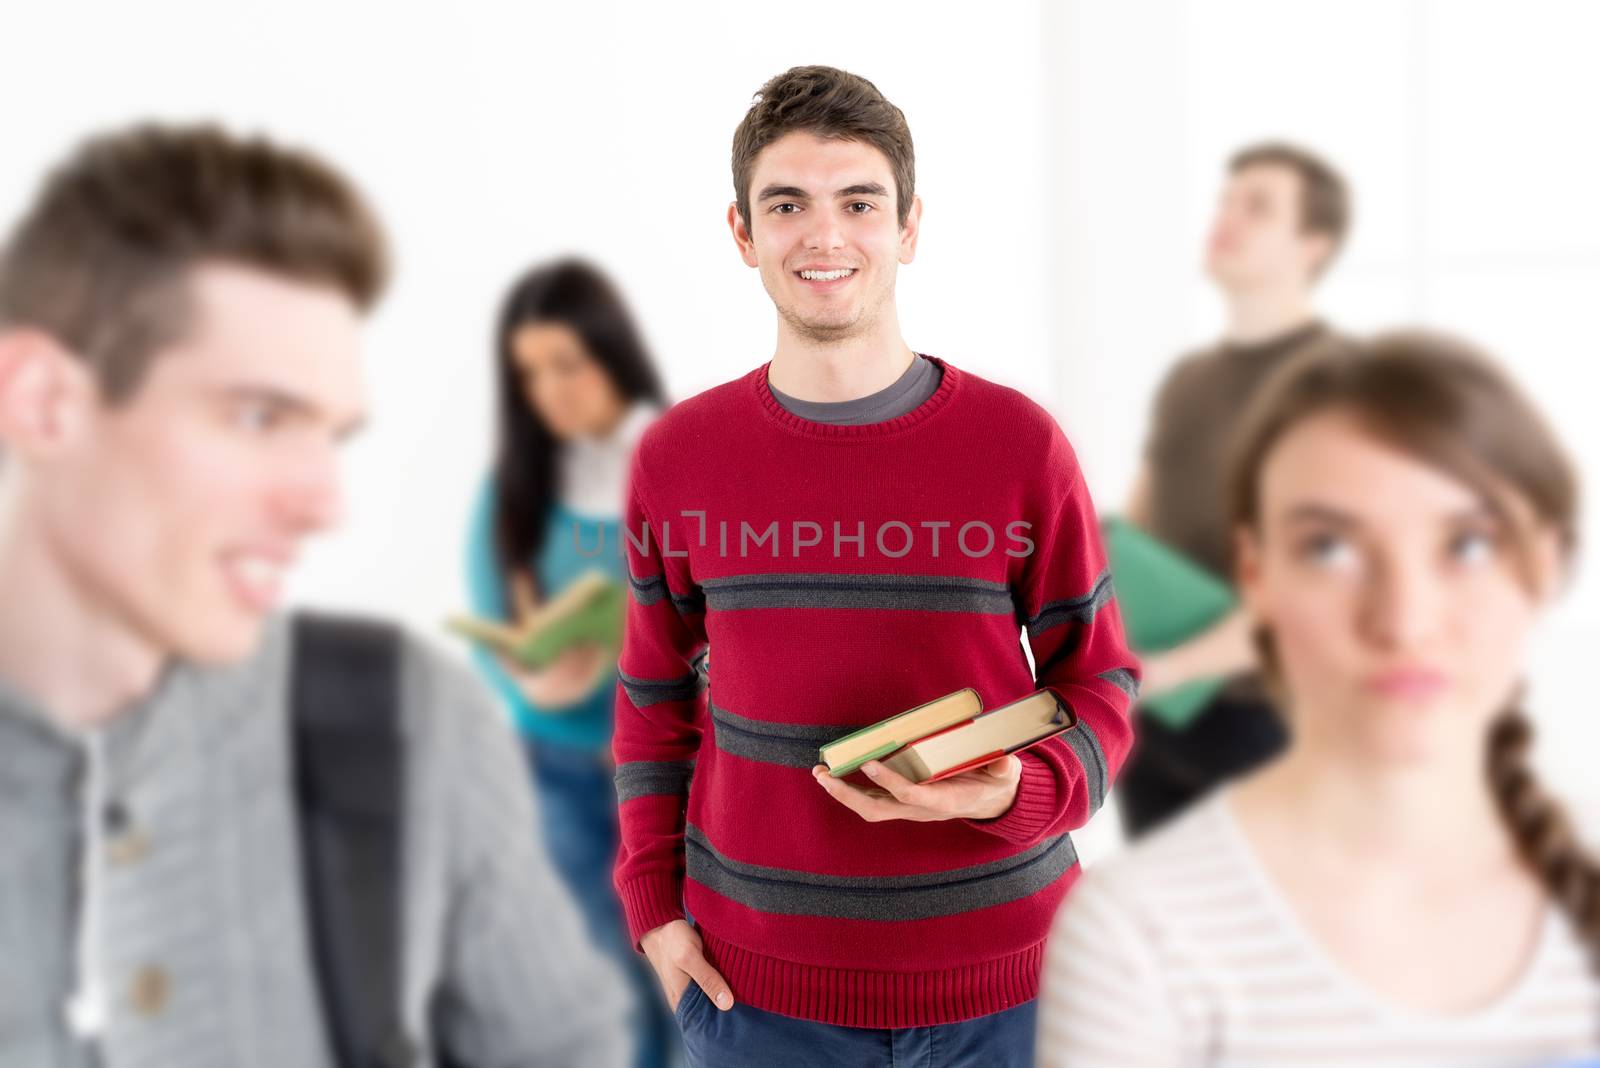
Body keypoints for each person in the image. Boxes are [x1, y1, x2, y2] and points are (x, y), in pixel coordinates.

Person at [0, 124, 628, 1067]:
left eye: (330, 436)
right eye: (258, 416)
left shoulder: (409, 720)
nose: (324, 505)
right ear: (47, 402)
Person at [610, 65, 1140, 1068]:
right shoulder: (679, 457)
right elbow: (652, 697)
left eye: (859, 202)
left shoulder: (1018, 445)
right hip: (755, 997)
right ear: (741, 233)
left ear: (907, 228)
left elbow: (1099, 680)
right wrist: (651, 910)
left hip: (1014, 989)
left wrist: (1015, 792)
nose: (824, 235)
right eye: (787, 205)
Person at [1039, 333, 1600, 1065]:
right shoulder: (1136, 936)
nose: (1402, 620)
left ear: (1546, 563)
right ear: (1256, 574)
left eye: (1466, 545)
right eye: (1329, 548)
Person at [465, 258, 673, 1067]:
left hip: (678, 771)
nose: (549, 391)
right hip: (560, 774)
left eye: (566, 365)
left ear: (610, 352)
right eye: (528, 375)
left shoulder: (685, 454)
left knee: (696, 983)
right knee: (602, 989)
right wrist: (533, 684)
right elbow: (493, 628)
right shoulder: (515, 489)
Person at [1120, 141, 1353, 835]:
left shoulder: (1339, 384)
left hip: (1272, 728)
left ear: (1313, 245)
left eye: (1259, 206)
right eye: (1227, 199)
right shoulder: (1190, 381)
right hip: (1160, 721)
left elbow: (1319, 577)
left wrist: (1170, 667)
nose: (1228, 217)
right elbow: (1132, 532)